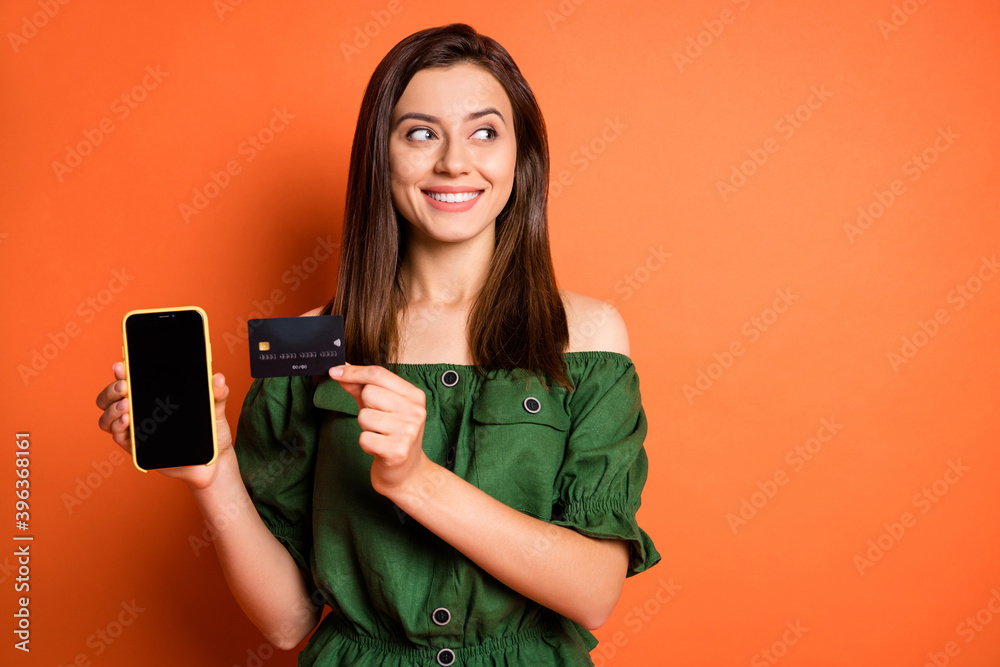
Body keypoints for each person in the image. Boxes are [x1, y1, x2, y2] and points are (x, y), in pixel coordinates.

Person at [96, 23, 659, 666]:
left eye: (485, 131)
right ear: (380, 154)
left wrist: (416, 481)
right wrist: (214, 475)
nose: (454, 161)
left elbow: (593, 594)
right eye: (421, 133)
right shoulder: (307, 344)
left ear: (521, 156)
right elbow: (286, 623)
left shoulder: (585, 336)